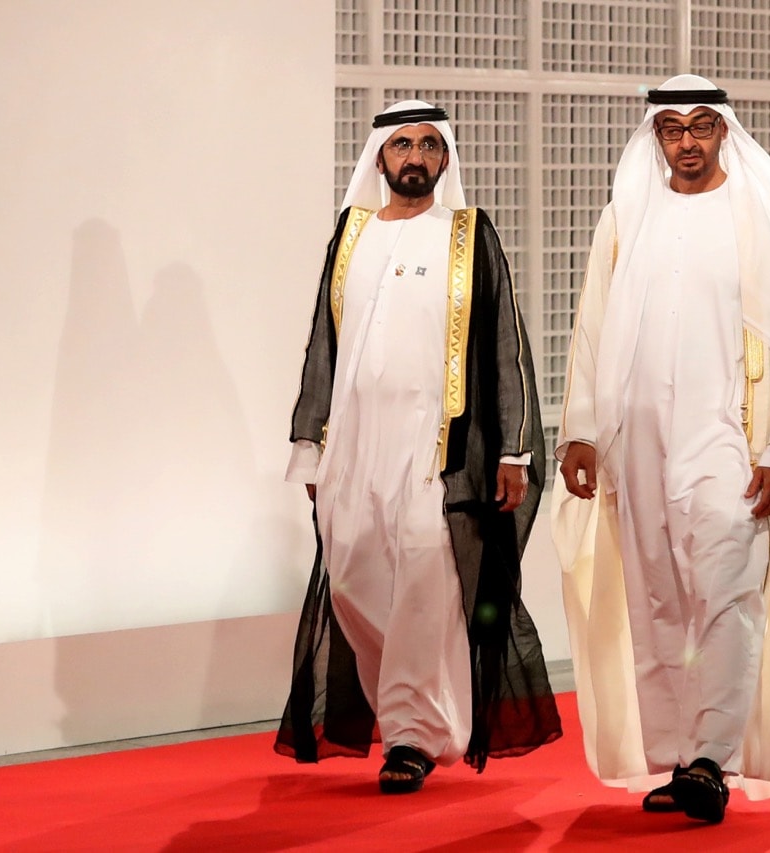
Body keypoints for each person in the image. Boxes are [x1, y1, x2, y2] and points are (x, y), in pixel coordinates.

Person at [274, 100, 561, 794]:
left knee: (425, 581)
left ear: (445, 158)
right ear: (379, 157)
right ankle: (409, 710)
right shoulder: (353, 234)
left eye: (430, 145)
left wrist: (514, 449)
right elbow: (323, 344)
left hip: (439, 449)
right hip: (353, 442)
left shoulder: (468, 235)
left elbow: (505, 345)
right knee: (351, 577)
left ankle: (410, 734)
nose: (416, 157)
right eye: (402, 144)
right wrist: (309, 444)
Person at [553, 75, 770, 824]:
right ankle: (680, 757)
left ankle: (714, 757)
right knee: (657, 595)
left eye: (702, 125)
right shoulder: (627, 215)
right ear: (657, 136)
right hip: (637, 438)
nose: (688, 140)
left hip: (726, 432)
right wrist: (581, 429)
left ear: (724, 131)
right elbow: (592, 327)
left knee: (726, 588)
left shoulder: (756, 216)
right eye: (673, 128)